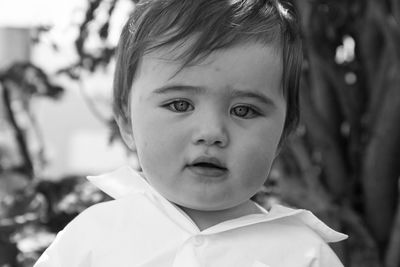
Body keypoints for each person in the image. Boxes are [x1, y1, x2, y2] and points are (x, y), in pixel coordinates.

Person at [34, 0, 348, 266]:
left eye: (244, 110)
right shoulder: (91, 237)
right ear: (126, 121)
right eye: (180, 104)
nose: (211, 132)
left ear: (283, 134)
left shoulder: (304, 255)